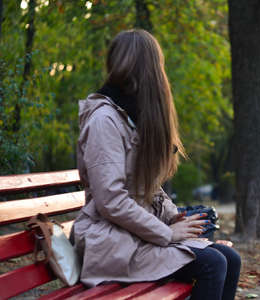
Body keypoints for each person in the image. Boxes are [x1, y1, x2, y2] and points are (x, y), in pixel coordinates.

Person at [72, 30, 240, 300]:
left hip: (132, 236)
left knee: (229, 257)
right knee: (213, 264)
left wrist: (174, 217)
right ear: (146, 69)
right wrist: (167, 232)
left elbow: (148, 187)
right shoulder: (105, 121)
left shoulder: (130, 117)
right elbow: (110, 199)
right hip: (110, 242)